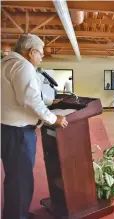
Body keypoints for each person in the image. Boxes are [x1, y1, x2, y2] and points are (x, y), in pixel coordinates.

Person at [1, 34, 68, 219]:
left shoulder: (8, 62)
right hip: (18, 133)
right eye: (41, 54)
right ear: (31, 52)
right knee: (21, 180)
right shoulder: (23, 66)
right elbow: (30, 100)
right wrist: (53, 119)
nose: (41, 58)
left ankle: (16, 213)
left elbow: (29, 92)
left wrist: (51, 100)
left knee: (15, 178)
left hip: (8, 130)